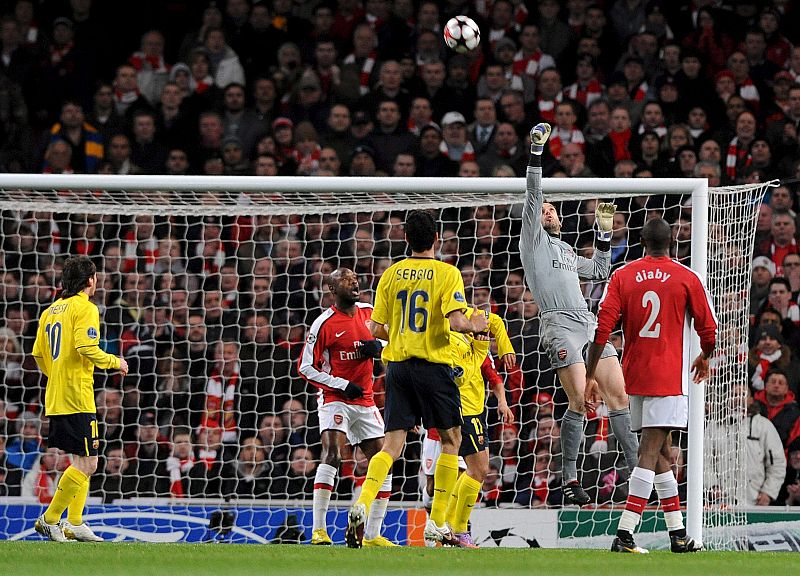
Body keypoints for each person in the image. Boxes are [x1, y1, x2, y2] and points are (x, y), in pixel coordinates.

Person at [346, 209, 489, 548]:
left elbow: (375, 328)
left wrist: (402, 332)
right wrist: (477, 326)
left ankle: (362, 502)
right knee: (452, 440)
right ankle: (436, 523)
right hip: (433, 367)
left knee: (391, 446)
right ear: (436, 238)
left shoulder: (391, 274)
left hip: (398, 368)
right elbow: (457, 322)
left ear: (406, 238)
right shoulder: (448, 273)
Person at [521, 122, 640, 505]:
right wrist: (536, 152)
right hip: (558, 325)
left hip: (587, 324)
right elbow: (534, 193)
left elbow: (602, 270)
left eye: (552, 210)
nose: (548, 212)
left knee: (619, 397)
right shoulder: (532, 243)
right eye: (543, 210)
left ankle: (638, 471)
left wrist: (603, 231)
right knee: (579, 401)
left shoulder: (569, 252)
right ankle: (570, 479)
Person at [585, 217, 718, 554]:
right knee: (649, 452)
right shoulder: (687, 277)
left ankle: (678, 534)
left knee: (661, 453)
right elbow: (709, 329)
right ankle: (625, 533)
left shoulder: (622, 275)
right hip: (668, 378)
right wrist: (704, 356)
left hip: (635, 377)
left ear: (641, 242)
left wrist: (589, 375)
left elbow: (602, 329)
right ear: (672, 242)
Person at [31, 255, 128, 542]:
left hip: (56, 394)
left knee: (80, 459)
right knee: (90, 463)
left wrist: (57, 375)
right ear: (90, 280)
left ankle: (74, 522)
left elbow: (38, 354)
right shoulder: (85, 307)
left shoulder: (50, 311)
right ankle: (50, 519)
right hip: (77, 396)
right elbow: (87, 347)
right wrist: (115, 362)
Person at [298, 267, 396, 547]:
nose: (354, 282)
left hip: (365, 400)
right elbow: (305, 367)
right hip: (335, 399)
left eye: (355, 278)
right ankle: (319, 530)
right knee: (332, 455)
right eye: (345, 279)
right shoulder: (323, 323)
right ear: (332, 289)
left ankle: (373, 535)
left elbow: (394, 340)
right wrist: (340, 384)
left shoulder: (370, 313)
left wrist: (378, 347)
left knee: (384, 463)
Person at [443, 307, 516, 547]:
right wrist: (481, 346)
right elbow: (462, 375)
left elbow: (495, 321)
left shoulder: (468, 317)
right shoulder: (448, 336)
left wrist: (505, 346)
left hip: (476, 409)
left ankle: (448, 526)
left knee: (474, 471)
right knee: (478, 470)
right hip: (462, 409)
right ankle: (457, 528)